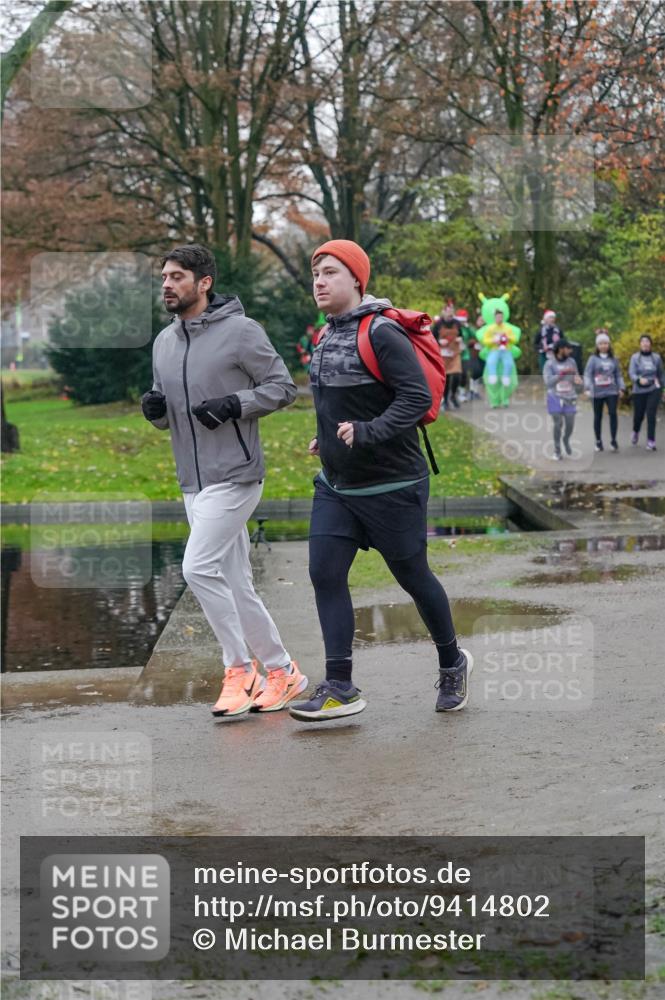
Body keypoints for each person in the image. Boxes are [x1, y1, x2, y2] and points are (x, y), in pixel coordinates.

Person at [288, 239, 472, 722]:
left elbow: (414, 400)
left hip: (392, 486)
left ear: (356, 280)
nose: (320, 282)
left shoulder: (382, 332)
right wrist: (325, 437)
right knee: (325, 574)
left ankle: (452, 661)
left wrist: (367, 432)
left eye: (330, 272)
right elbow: (340, 404)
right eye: (316, 274)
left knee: (413, 577)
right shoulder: (325, 336)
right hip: (338, 486)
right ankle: (340, 685)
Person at [141, 243, 307, 719]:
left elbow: (282, 388)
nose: (168, 285)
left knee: (196, 568)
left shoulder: (241, 331)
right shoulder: (164, 342)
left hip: (235, 474)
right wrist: (155, 411)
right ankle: (282, 672)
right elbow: (166, 409)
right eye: (165, 277)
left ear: (204, 282)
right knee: (236, 584)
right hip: (191, 480)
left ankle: (239, 669)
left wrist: (236, 404)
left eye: (177, 277)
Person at [583, 329, 625, 452]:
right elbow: (587, 374)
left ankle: (613, 440)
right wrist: (588, 388)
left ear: (609, 345)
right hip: (597, 392)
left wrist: (621, 387)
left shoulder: (614, 359)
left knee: (613, 414)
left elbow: (618, 374)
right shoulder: (593, 359)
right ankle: (598, 441)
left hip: (611, 391)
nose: (603, 345)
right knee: (598, 416)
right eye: (601, 343)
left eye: (605, 343)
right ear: (597, 345)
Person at [543, 339, 583, 460]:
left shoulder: (572, 361)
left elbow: (577, 379)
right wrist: (561, 374)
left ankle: (566, 439)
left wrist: (579, 382)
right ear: (560, 349)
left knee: (570, 424)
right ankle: (557, 449)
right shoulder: (549, 364)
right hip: (554, 396)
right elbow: (548, 382)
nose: (570, 351)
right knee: (558, 423)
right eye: (568, 348)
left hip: (570, 397)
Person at [629, 335, 663, 451]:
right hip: (639, 390)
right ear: (640, 344)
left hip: (654, 388)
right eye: (643, 342)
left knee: (651, 414)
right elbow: (632, 373)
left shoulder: (656, 358)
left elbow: (661, 375)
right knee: (639, 416)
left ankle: (651, 440)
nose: (645, 343)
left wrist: (663, 389)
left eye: (647, 341)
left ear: (650, 344)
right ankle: (636, 431)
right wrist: (638, 379)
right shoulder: (635, 358)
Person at [432, 302, 463, 409]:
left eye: (451, 311)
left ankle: (453, 395)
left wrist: (460, 339)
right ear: (443, 312)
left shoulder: (457, 323)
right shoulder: (438, 324)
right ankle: (445, 399)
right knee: (447, 378)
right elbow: (431, 339)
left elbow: (461, 335)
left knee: (457, 375)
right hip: (443, 354)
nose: (450, 313)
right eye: (448, 311)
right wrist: (439, 342)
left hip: (454, 353)